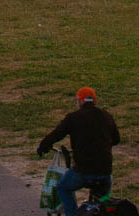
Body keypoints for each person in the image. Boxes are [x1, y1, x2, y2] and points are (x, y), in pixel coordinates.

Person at [36, 87, 121, 215]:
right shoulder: (106, 116)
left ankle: (73, 214)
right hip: (105, 171)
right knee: (103, 201)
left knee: (63, 187)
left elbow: (57, 134)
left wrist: (44, 145)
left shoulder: (73, 118)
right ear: (95, 101)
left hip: (83, 171)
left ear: (80, 101)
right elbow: (116, 139)